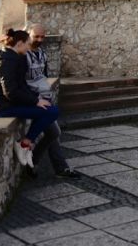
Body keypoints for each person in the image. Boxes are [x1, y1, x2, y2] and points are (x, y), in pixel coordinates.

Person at [0, 29, 60, 169]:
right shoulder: (8, 61)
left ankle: (26, 145)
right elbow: (11, 92)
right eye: (27, 43)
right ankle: (25, 144)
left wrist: (36, 98)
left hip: (5, 104)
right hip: (3, 108)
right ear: (19, 43)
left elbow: (21, 85)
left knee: (48, 108)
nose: (28, 46)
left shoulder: (9, 57)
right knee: (51, 111)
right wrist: (35, 101)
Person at [24, 23, 79, 178]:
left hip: (44, 100)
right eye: (36, 36)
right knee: (54, 132)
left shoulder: (42, 53)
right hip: (32, 102)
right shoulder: (23, 55)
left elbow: (44, 78)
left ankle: (36, 163)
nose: (40, 39)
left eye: (42, 37)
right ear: (29, 34)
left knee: (53, 133)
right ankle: (55, 167)